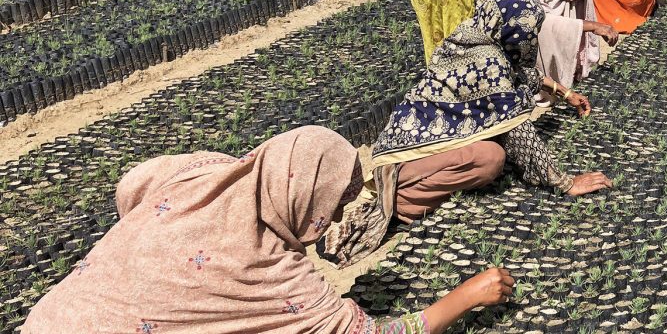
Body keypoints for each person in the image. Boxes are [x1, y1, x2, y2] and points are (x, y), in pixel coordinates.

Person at [23, 126, 515, 334]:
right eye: (333, 206)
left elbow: (130, 186)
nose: (336, 221)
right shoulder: (272, 272)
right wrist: (466, 297)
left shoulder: (204, 173)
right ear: (302, 196)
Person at [324, 0, 612, 267]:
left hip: (408, 147)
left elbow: (518, 75)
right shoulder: (487, 60)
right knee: (490, 158)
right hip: (401, 163)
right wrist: (564, 183)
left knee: (494, 147)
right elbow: (518, 129)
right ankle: (402, 203)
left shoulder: (474, 36)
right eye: (529, 33)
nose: (530, 40)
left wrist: (563, 92)